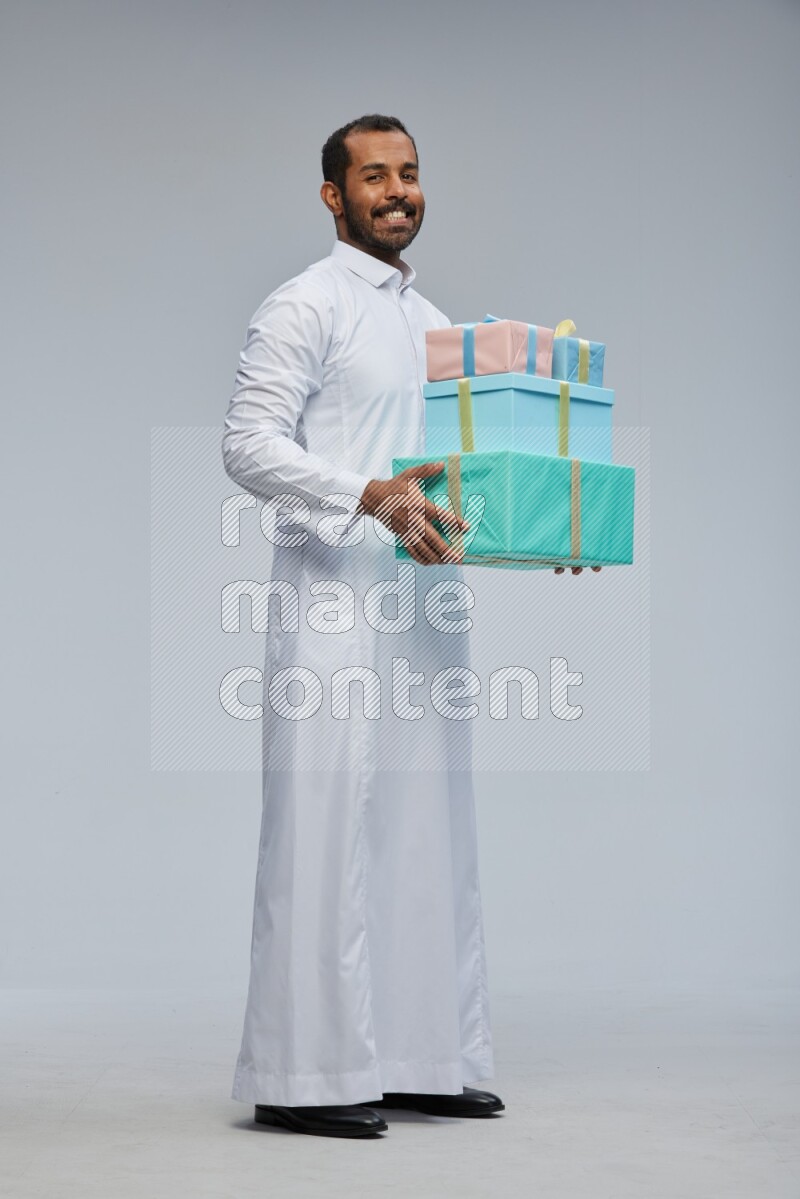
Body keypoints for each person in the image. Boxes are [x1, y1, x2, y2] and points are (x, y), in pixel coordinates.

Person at [221, 114, 507, 1139]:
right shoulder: (305, 304)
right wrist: (364, 494)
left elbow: (444, 471)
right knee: (325, 828)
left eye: (411, 173)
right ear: (333, 197)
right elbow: (246, 443)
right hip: (334, 601)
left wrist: (537, 528)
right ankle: (302, 1072)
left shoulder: (431, 321)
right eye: (374, 175)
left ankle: (421, 1053)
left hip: (424, 604)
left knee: (426, 826)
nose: (397, 190)